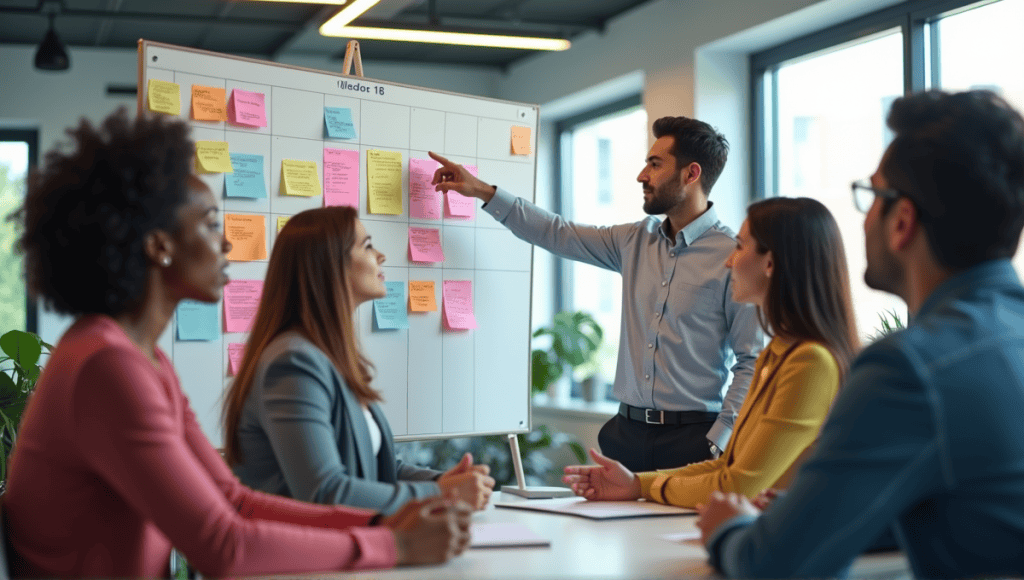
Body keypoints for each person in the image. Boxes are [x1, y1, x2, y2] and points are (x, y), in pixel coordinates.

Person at [4, 108, 471, 578]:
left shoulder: (143, 359)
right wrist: (393, 545)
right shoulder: (106, 367)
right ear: (159, 246)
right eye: (209, 224)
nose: (226, 244)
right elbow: (222, 547)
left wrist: (378, 522)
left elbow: (235, 501)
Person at [697, 89, 1024, 578]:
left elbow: (771, 566)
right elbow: (982, 509)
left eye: (872, 195)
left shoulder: (909, 368)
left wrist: (727, 528)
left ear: (903, 222)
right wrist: (813, 510)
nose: (865, 215)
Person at [428, 116, 763, 472]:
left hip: (693, 440)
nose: (642, 175)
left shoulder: (734, 256)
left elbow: (751, 359)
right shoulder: (634, 240)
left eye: (654, 164)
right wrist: (482, 191)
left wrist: (719, 440)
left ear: (691, 174)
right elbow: (557, 232)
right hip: (626, 435)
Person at [562, 197, 858, 508]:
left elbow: (737, 485)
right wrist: (636, 483)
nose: (729, 261)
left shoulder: (810, 363)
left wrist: (645, 487)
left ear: (770, 264)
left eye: (740, 247)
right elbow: (727, 466)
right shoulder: (776, 353)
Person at [222, 206, 495, 515]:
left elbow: (375, 464)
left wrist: (443, 480)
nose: (381, 256)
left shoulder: (325, 355)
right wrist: (439, 494)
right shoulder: (293, 363)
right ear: (329, 264)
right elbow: (325, 492)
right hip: (298, 559)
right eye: (367, 246)